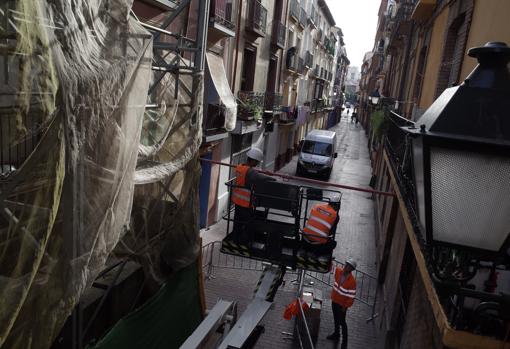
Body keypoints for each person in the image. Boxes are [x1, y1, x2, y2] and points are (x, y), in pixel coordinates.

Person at [232, 147, 275, 242]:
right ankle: (245, 241)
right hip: (245, 203)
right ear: (253, 161)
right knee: (249, 223)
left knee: (237, 222)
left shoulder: (240, 167)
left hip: (237, 201)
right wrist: (272, 178)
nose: (257, 164)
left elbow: (252, 173)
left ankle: (236, 238)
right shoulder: (250, 172)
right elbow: (259, 178)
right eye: (256, 162)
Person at [327, 258, 357, 348]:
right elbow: (330, 268)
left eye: (349, 266)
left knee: (342, 322)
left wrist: (345, 306)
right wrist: (330, 260)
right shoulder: (339, 271)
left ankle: (344, 342)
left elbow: (351, 297)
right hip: (335, 301)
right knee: (336, 319)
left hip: (342, 305)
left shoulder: (352, 282)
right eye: (346, 264)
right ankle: (336, 334)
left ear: (351, 269)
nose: (346, 267)